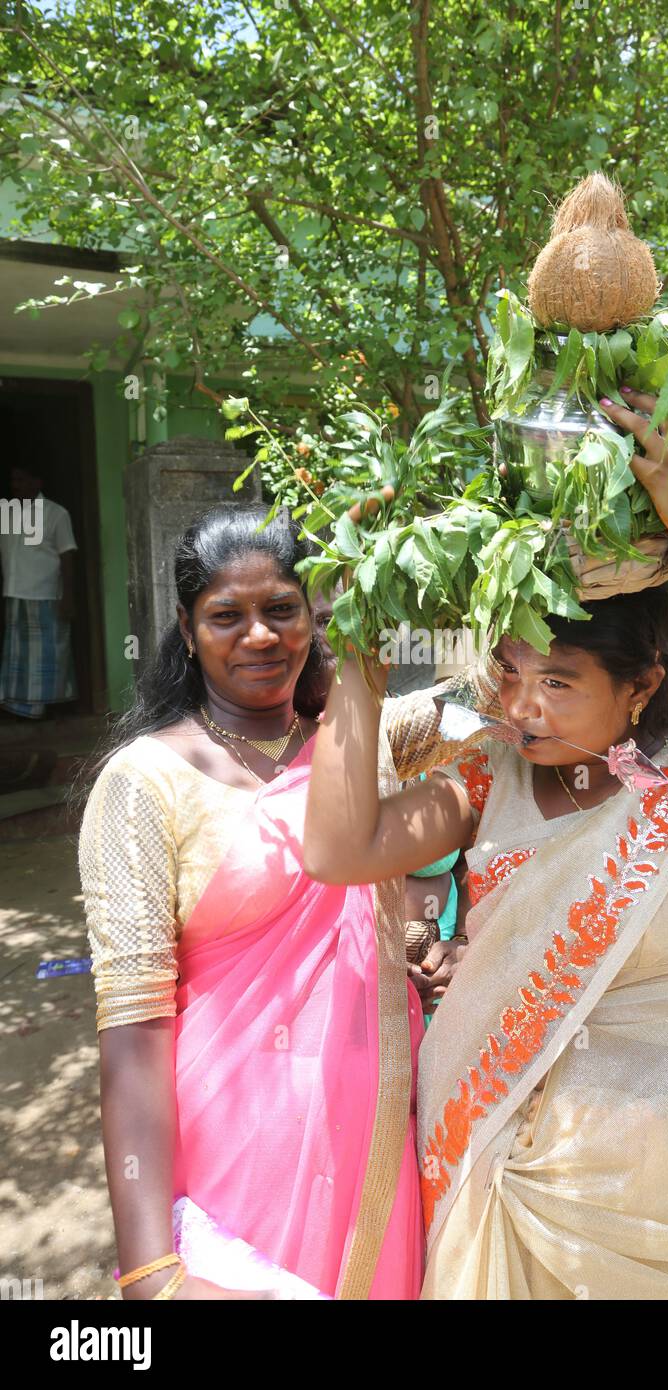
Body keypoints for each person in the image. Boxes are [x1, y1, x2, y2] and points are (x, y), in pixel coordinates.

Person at [303, 388, 668, 1300]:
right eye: (510, 671)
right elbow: (338, 850)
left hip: (654, 1209)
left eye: (558, 682)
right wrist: (357, 644)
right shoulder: (489, 781)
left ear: (642, 686)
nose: (521, 706)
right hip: (488, 1176)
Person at [79, 505, 439, 1301]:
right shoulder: (143, 783)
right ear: (185, 625)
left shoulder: (357, 742)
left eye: (282, 608)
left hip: (373, 1141)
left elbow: (507, 706)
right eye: (226, 616)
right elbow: (134, 1031)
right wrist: (149, 1270)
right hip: (232, 1162)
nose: (260, 636)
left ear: (317, 613)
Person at [0, 466, 77, 719]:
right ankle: (18, 710)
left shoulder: (56, 513)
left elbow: (67, 556)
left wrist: (68, 596)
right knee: (19, 658)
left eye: (21, 479)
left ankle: (49, 711)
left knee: (48, 657)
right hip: (14, 594)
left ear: (37, 481)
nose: (16, 485)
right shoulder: (7, 512)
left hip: (45, 596)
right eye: (13, 480)